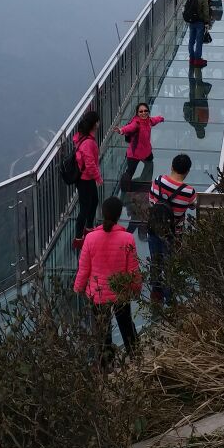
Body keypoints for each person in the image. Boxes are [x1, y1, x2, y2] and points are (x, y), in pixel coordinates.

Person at [73, 195, 141, 360]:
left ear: (103, 213)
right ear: (119, 215)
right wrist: (136, 289)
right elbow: (133, 270)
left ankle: (106, 366)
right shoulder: (127, 238)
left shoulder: (90, 238)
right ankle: (135, 358)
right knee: (126, 327)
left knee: (103, 332)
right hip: (120, 293)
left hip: (98, 294)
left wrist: (78, 288)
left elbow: (84, 269)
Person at [148, 153, 197, 304]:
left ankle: (156, 293)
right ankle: (169, 297)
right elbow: (194, 206)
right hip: (173, 235)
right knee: (170, 265)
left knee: (156, 262)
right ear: (187, 171)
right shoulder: (189, 192)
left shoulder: (158, 181)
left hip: (154, 230)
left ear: (171, 166)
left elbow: (151, 202)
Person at [116, 103, 164, 187]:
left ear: (148, 111)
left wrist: (161, 118)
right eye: (140, 111)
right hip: (134, 154)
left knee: (149, 162)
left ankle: (145, 179)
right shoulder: (136, 123)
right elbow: (130, 127)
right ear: (137, 113)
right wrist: (121, 130)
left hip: (146, 151)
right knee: (130, 172)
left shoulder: (149, 121)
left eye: (145, 111)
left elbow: (154, 120)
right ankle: (123, 187)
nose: (143, 113)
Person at [72, 111, 101, 251]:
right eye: (98, 121)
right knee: (84, 208)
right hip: (85, 179)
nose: (99, 123)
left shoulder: (83, 137)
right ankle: (78, 239)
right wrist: (98, 178)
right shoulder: (88, 142)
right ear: (94, 124)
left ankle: (89, 228)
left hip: (85, 178)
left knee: (94, 201)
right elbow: (89, 163)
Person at [184, 0, 211, 66]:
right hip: (200, 22)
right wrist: (207, 22)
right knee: (199, 41)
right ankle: (197, 60)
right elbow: (206, 11)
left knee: (191, 40)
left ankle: (191, 58)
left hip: (191, 21)